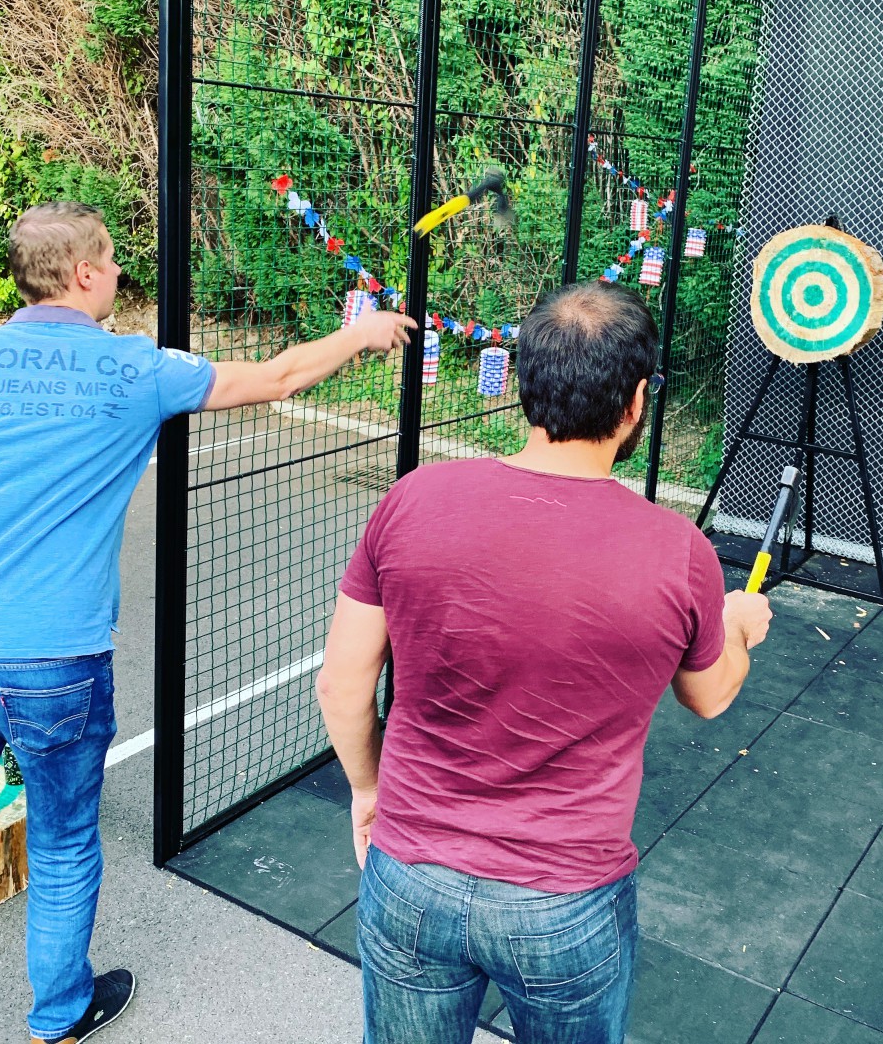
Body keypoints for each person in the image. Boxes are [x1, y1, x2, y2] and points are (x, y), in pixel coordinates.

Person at [0, 201, 415, 1044]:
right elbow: (273, 378)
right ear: (85, 273)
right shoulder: (132, 369)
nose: (122, 273)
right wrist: (362, 333)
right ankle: (58, 1015)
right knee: (60, 846)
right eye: (113, 261)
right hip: (55, 663)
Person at [316, 279, 772, 1044]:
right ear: (635, 403)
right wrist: (738, 624)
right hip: (563, 903)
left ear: (526, 383)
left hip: (409, 874)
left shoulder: (413, 497)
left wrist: (369, 789)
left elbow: (341, 683)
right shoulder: (678, 551)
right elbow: (711, 694)